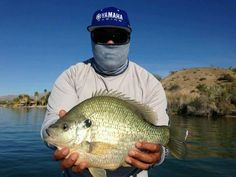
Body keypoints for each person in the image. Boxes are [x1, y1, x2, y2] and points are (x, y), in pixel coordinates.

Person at [41, 6, 169, 177]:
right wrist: (57, 135)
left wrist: (159, 154)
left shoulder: (149, 83)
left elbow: (163, 145)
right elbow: (49, 127)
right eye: (102, 36)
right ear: (92, 39)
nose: (110, 42)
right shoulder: (71, 76)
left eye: (118, 36)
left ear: (129, 39)